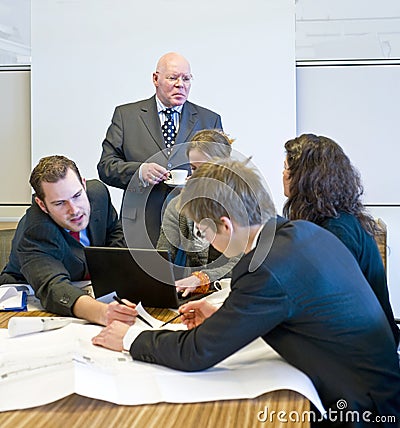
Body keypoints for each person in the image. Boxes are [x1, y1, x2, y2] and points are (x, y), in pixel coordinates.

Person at [93, 159, 400, 427]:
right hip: (379, 386)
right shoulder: (302, 232)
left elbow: (196, 353)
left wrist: (129, 338)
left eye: (203, 231)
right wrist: (228, 316)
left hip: (361, 411)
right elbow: (295, 308)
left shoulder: (264, 268)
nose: (206, 240)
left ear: (225, 225)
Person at [282, 133, 399, 346]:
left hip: (365, 347)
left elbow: (325, 304)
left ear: (305, 178)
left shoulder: (337, 231)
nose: (283, 174)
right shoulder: (333, 221)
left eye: (287, 168)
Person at [97, 52, 223, 245]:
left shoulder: (209, 119)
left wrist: (198, 182)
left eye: (186, 78)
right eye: (173, 78)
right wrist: (139, 172)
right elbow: (105, 167)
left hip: (191, 229)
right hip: (139, 227)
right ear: (155, 79)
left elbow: (222, 175)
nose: (180, 84)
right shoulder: (126, 116)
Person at [0, 156, 137, 326]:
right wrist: (102, 313)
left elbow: (114, 232)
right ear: (42, 205)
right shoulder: (34, 229)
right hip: (30, 301)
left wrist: (111, 272)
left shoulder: (98, 194)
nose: (74, 210)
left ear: (84, 185)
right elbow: (53, 287)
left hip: (89, 288)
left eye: (77, 195)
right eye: (59, 203)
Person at [156, 129, 239, 296]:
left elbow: (241, 262)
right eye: (194, 168)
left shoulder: (242, 204)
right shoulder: (177, 206)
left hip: (235, 291)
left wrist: (202, 278)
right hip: (193, 293)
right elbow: (163, 256)